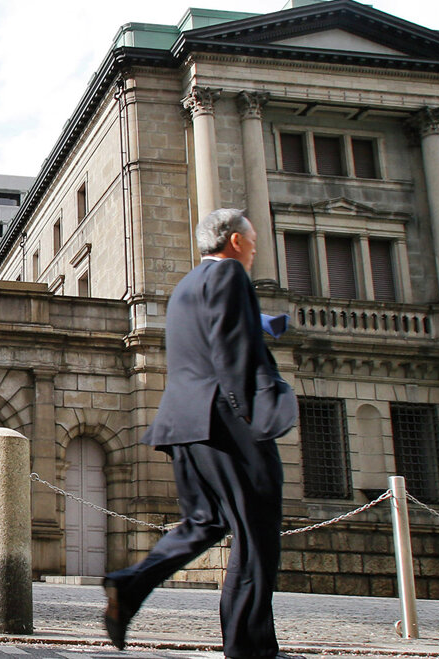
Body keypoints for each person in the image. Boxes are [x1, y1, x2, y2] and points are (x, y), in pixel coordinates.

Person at [102, 208, 298, 659]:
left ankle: (129, 586)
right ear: (235, 241)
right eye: (252, 241)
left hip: (183, 422)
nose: (254, 249)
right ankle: (251, 649)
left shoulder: (187, 286)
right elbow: (232, 350)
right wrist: (251, 414)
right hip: (225, 422)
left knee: (203, 522)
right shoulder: (231, 274)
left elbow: (221, 332)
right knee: (256, 534)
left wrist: (266, 323)